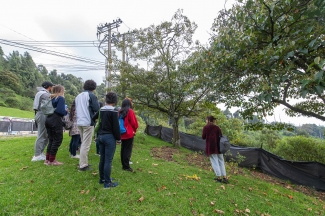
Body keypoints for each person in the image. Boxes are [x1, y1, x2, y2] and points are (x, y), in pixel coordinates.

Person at [92, 92, 120, 188]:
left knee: (102, 159)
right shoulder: (114, 111)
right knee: (108, 160)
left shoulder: (101, 109)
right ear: (115, 100)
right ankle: (107, 183)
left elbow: (93, 118)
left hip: (101, 136)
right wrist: (118, 138)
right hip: (109, 137)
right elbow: (116, 127)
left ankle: (102, 178)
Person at [75, 79, 100, 171]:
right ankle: (83, 165)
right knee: (86, 144)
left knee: (83, 143)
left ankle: (82, 162)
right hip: (88, 122)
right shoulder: (91, 95)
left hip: (79, 122)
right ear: (93, 87)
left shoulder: (78, 96)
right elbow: (97, 108)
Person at [44, 85, 68, 166]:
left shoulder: (51, 98)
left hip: (48, 119)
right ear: (61, 90)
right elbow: (60, 111)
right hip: (56, 120)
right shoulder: (60, 98)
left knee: (51, 140)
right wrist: (66, 112)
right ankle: (52, 160)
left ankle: (47, 159)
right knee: (57, 139)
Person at [31, 81, 54, 162]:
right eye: (52, 87)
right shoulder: (44, 93)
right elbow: (49, 103)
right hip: (42, 114)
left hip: (39, 114)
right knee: (42, 135)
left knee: (45, 135)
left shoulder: (40, 93)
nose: (52, 89)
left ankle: (40, 153)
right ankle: (37, 155)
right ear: (49, 87)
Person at [202, 116, 228, 183]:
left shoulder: (206, 127)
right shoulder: (217, 128)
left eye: (206, 120)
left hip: (211, 147)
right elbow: (221, 136)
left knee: (214, 162)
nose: (206, 121)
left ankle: (219, 178)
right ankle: (225, 177)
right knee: (221, 162)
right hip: (219, 147)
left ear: (208, 120)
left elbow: (203, 137)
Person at [119, 98, 138, 172]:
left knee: (123, 148)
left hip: (122, 133)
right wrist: (134, 130)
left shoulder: (120, 111)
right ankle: (126, 166)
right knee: (128, 149)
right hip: (129, 133)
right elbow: (134, 123)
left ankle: (124, 164)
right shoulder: (130, 111)